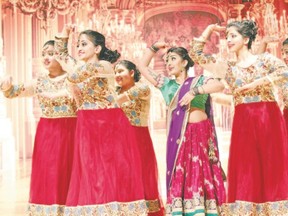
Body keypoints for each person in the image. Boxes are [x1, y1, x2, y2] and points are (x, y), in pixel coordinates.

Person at [190, 20, 288, 215]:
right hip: (244, 119)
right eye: (227, 37)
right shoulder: (228, 67)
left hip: (267, 116)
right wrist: (208, 30)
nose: (229, 40)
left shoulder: (265, 60)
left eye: (233, 36)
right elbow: (196, 55)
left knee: (271, 163)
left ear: (246, 38)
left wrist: (254, 84)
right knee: (246, 165)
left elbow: (284, 72)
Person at [55, 26, 147, 215]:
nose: (79, 48)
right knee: (89, 169)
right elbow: (61, 57)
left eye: (83, 44)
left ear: (97, 49)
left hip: (107, 121)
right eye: (77, 44)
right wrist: (64, 35)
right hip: (86, 121)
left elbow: (74, 75)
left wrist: (70, 68)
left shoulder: (104, 65)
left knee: (109, 168)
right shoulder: (81, 66)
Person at [138, 43, 226, 215]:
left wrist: (195, 91)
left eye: (173, 59)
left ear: (185, 62)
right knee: (183, 174)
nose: (168, 63)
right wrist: (154, 48)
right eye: (166, 60)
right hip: (180, 138)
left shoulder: (199, 80)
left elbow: (219, 86)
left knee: (202, 172)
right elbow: (142, 66)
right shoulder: (166, 84)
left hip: (201, 135)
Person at [0, 40, 77, 215]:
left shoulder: (72, 79)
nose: (46, 57)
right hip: (47, 133)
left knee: (69, 171)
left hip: (71, 131)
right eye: (44, 54)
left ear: (61, 57)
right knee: (49, 173)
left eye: (51, 53)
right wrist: (6, 86)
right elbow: (15, 91)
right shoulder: (40, 81)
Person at [114, 59, 164, 216]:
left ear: (132, 73)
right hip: (117, 141)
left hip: (137, 140)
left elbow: (117, 101)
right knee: (120, 179)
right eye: (115, 72)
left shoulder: (142, 89)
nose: (117, 75)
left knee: (141, 178)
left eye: (120, 71)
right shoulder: (115, 91)